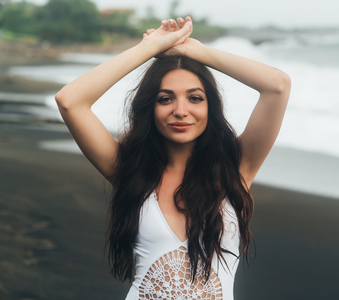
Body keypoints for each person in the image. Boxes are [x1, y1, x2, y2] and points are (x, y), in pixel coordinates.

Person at [55, 16, 290, 300]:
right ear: (149, 108)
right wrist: (150, 48)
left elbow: (277, 85)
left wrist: (191, 50)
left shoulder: (236, 168)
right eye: (165, 99)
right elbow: (70, 100)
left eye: (194, 98)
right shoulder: (128, 170)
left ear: (210, 107)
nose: (180, 111)